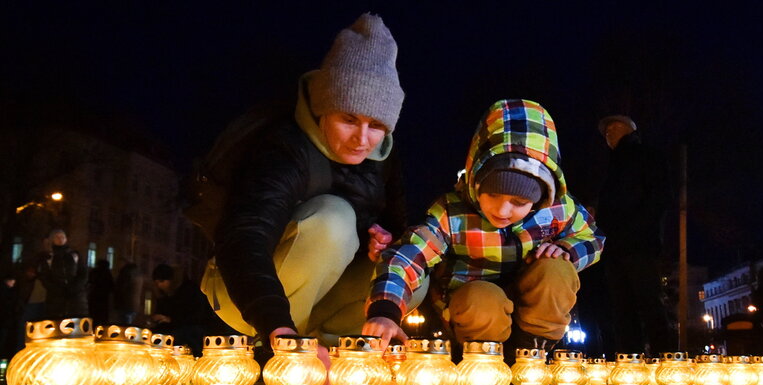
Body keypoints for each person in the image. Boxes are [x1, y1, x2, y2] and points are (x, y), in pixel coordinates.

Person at [202, 12, 406, 366]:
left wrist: (381, 243)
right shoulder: (285, 149)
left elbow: (399, 231)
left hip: (318, 298)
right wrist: (277, 328)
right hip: (247, 294)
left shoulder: (381, 159)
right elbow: (245, 236)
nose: (362, 139)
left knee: (408, 271)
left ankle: (328, 355)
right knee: (334, 218)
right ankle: (280, 354)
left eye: (376, 125)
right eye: (348, 119)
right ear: (323, 107)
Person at [363, 99, 605, 356]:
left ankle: (531, 353)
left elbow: (592, 238)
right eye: (492, 195)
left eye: (519, 202)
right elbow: (409, 255)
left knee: (557, 270)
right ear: (476, 182)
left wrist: (567, 248)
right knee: (481, 300)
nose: (502, 212)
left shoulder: (558, 211)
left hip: (529, 308)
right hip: (474, 311)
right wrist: (385, 310)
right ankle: (482, 359)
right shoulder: (452, 213)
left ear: (538, 198)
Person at [594, 115, 673, 355]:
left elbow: (657, 197)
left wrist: (636, 229)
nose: (608, 134)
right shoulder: (615, 163)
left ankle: (666, 359)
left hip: (636, 243)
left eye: (612, 129)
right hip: (617, 245)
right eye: (605, 132)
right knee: (622, 307)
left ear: (627, 129)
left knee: (647, 303)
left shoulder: (641, 156)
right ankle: (631, 360)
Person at [151, 264, 212, 356]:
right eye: (157, 283)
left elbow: (196, 316)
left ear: (170, 280)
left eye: (162, 281)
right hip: (174, 328)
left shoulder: (189, 290)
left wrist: (170, 319)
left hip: (191, 329)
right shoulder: (164, 295)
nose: (159, 285)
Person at [36, 229, 88, 318]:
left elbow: (83, 273)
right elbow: (45, 276)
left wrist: (76, 287)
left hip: (76, 297)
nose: (60, 239)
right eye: (57, 237)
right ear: (52, 239)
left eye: (62, 237)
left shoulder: (75, 255)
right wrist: (56, 289)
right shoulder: (48, 256)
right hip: (56, 298)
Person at [87, 259, 114, 326]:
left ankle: (93, 330)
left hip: (94, 297)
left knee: (94, 317)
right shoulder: (107, 273)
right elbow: (111, 286)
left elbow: (89, 282)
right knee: (103, 318)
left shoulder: (94, 272)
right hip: (104, 298)